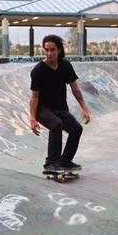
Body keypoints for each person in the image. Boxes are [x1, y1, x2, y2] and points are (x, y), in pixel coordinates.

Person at [29, 35, 91, 172]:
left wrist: (84, 108)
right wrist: (33, 118)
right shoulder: (38, 70)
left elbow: (75, 88)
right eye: (47, 50)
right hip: (42, 109)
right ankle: (51, 163)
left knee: (76, 129)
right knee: (56, 124)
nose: (49, 53)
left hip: (60, 108)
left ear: (59, 50)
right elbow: (34, 96)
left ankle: (65, 161)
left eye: (52, 50)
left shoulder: (65, 66)